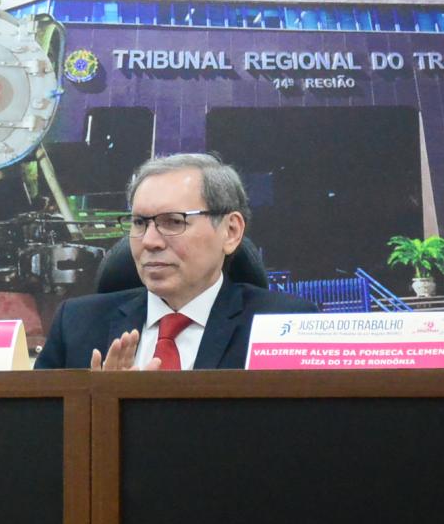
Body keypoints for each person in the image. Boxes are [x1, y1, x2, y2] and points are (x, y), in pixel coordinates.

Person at [35, 153, 315, 370]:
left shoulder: (287, 327)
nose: (150, 241)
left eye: (173, 222)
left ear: (230, 232)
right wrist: (101, 403)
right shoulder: (76, 326)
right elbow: (40, 436)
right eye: (139, 223)